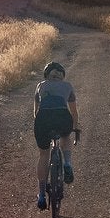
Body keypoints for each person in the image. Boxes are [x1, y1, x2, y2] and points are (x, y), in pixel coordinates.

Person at [32, 60, 79, 209]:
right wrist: (74, 127)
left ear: (47, 76)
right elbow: (74, 112)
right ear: (62, 77)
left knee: (43, 154)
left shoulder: (41, 85)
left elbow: (35, 112)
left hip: (43, 120)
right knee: (65, 136)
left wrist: (41, 127)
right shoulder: (67, 86)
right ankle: (67, 163)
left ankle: (41, 195)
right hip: (62, 117)